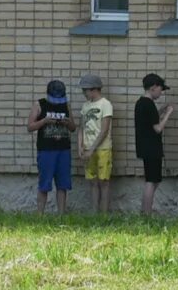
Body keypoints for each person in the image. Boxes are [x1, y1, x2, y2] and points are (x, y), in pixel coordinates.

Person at [28, 79, 74, 215]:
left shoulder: (66, 104)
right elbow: (30, 126)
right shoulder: (39, 104)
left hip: (63, 149)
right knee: (44, 184)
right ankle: (40, 214)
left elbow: (73, 128)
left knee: (63, 184)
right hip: (46, 150)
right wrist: (44, 121)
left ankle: (61, 214)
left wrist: (67, 123)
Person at [134, 74, 174, 217]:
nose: (161, 93)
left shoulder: (140, 103)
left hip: (144, 146)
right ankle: (147, 213)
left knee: (152, 180)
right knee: (152, 181)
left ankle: (144, 211)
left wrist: (161, 110)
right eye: (160, 89)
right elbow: (157, 128)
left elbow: (148, 119)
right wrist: (168, 114)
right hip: (152, 147)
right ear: (153, 88)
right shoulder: (149, 104)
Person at [76, 77, 117, 216]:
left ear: (94, 89)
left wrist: (92, 149)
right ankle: (94, 212)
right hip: (88, 149)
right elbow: (81, 127)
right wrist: (80, 146)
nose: (84, 93)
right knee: (92, 181)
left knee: (103, 182)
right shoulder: (85, 106)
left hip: (102, 149)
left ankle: (104, 214)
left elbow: (104, 130)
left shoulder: (105, 104)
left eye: (85, 90)